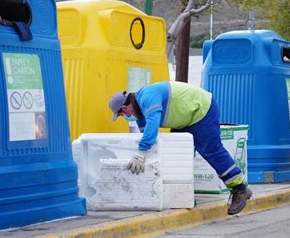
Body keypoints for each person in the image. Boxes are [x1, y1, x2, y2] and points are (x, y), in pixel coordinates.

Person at [108, 81, 252, 215]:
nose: (126, 116)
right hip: (185, 119)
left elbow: (152, 127)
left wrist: (140, 153)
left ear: (124, 107)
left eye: (122, 114)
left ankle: (240, 189)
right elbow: (148, 137)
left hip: (202, 110)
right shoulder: (140, 113)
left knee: (211, 150)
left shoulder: (147, 97)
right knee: (178, 155)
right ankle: (185, 195)